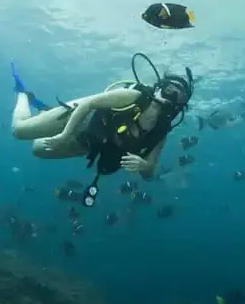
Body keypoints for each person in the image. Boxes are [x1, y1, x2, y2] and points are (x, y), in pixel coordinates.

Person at [10, 53, 194, 206]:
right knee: (19, 131)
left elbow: (149, 172)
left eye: (179, 96)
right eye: (170, 89)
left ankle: (45, 112)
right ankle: (23, 95)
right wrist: (64, 135)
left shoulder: (160, 131)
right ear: (158, 87)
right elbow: (90, 104)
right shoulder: (133, 96)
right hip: (79, 116)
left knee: (37, 150)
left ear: (180, 105)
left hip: (87, 143)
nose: (172, 96)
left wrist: (144, 165)